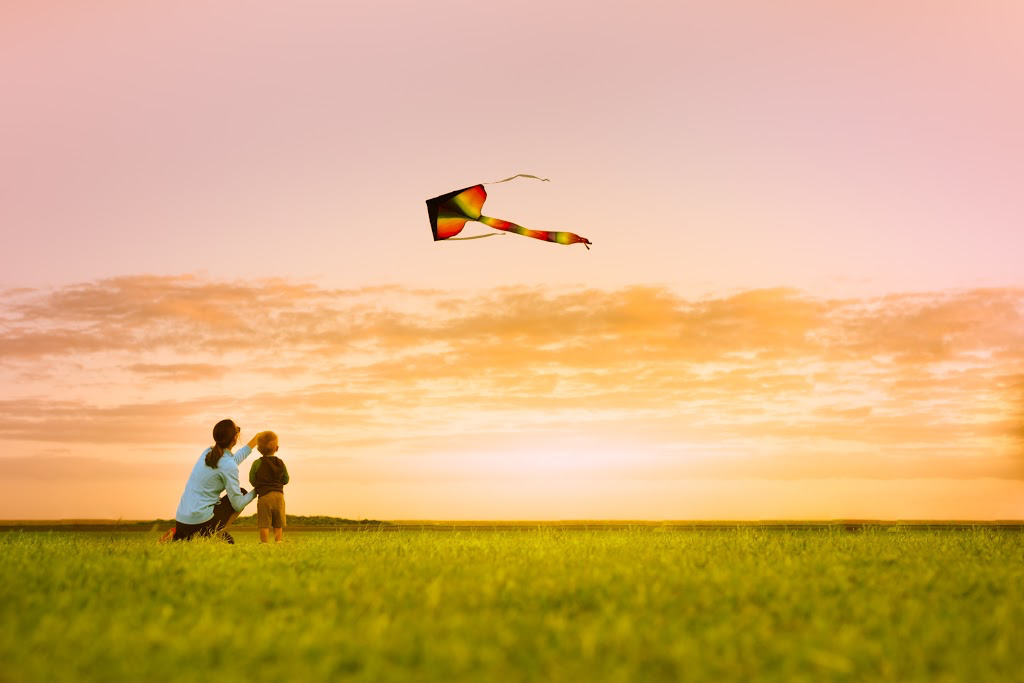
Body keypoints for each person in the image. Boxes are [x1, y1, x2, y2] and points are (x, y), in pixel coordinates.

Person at [169, 419, 267, 543]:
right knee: (241, 493)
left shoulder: (208, 452)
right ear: (235, 438)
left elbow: (231, 461)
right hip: (199, 524)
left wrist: (254, 441)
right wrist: (257, 490)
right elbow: (237, 504)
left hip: (181, 523)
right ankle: (215, 534)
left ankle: (186, 537)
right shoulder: (228, 464)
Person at [248, 431, 289, 543]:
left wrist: (259, 486)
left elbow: (252, 479)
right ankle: (279, 542)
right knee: (278, 523)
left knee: (264, 523)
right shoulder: (280, 462)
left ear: (258, 449)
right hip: (279, 496)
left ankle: (264, 543)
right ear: (277, 448)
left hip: (264, 496)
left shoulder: (257, 463)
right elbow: (286, 479)